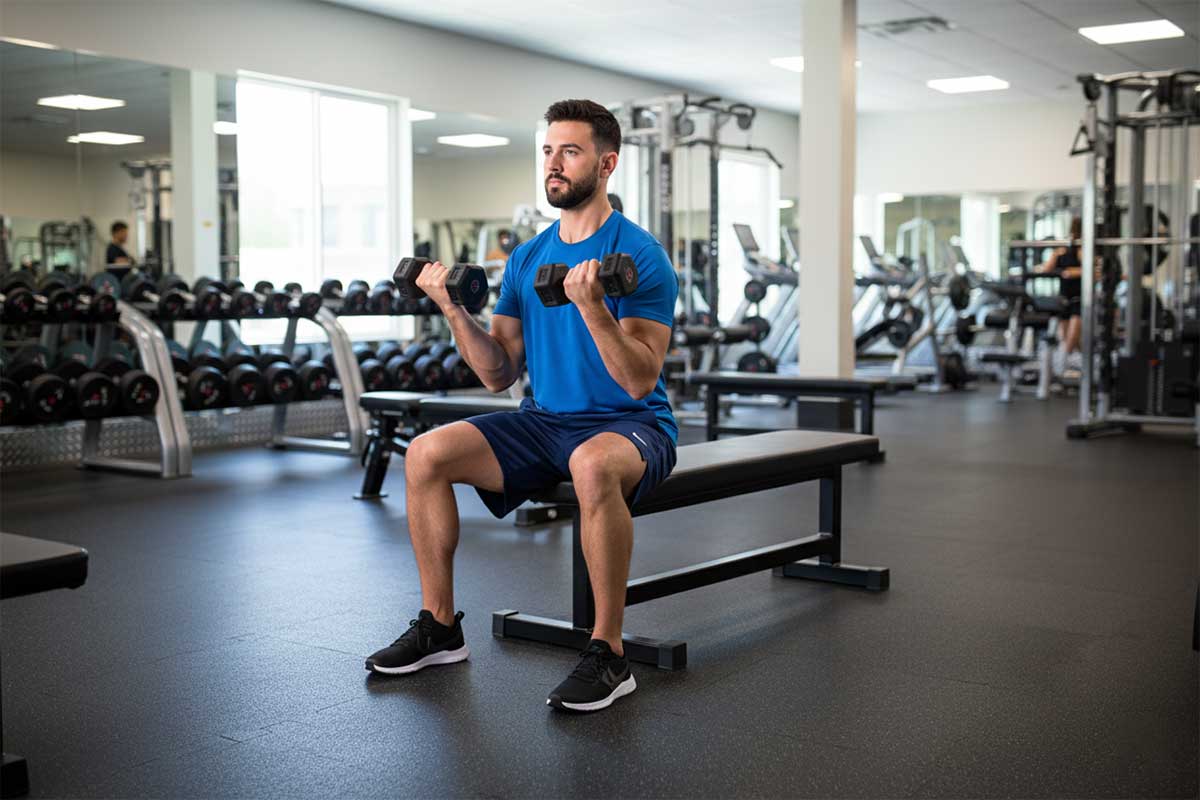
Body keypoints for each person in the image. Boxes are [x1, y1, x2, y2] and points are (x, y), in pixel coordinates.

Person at [365, 99, 679, 714]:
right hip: (545, 421)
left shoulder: (641, 256)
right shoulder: (529, 257)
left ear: (607, 163)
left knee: (591, 464)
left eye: (571, 151)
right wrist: (453, 309)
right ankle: (440, 627)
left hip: (632, 425)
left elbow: (641, 380)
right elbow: (497, 372)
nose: (554, 165)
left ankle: (609, 654)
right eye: (547, 151)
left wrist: (592, 306)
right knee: (426, 454)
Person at [1038, 217, 1083, 369]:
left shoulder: (1085, 250)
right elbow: (1046, 269)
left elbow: (1095, 272)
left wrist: (1073, 272)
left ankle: (1062, 369)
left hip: (1080, 299)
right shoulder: (1061, 250)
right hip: (1064, 298)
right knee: (1065, 340)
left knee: (1072, 339)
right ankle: (1064, 370)